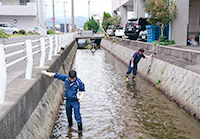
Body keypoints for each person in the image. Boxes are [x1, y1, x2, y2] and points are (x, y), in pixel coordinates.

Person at [41, 70, 85, 135]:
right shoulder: (66, 78)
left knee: (77, 115)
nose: (72, 80)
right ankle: (70, 125)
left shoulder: (79, 82)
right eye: (71, 78)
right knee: (68, 113)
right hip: (68, 100)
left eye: (73, 78)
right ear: (69, 76)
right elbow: (57, 75)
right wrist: (47, 73)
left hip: (75, 101)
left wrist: (81, 96)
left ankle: (80, 131)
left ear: (76, 77)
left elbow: (82, 89)